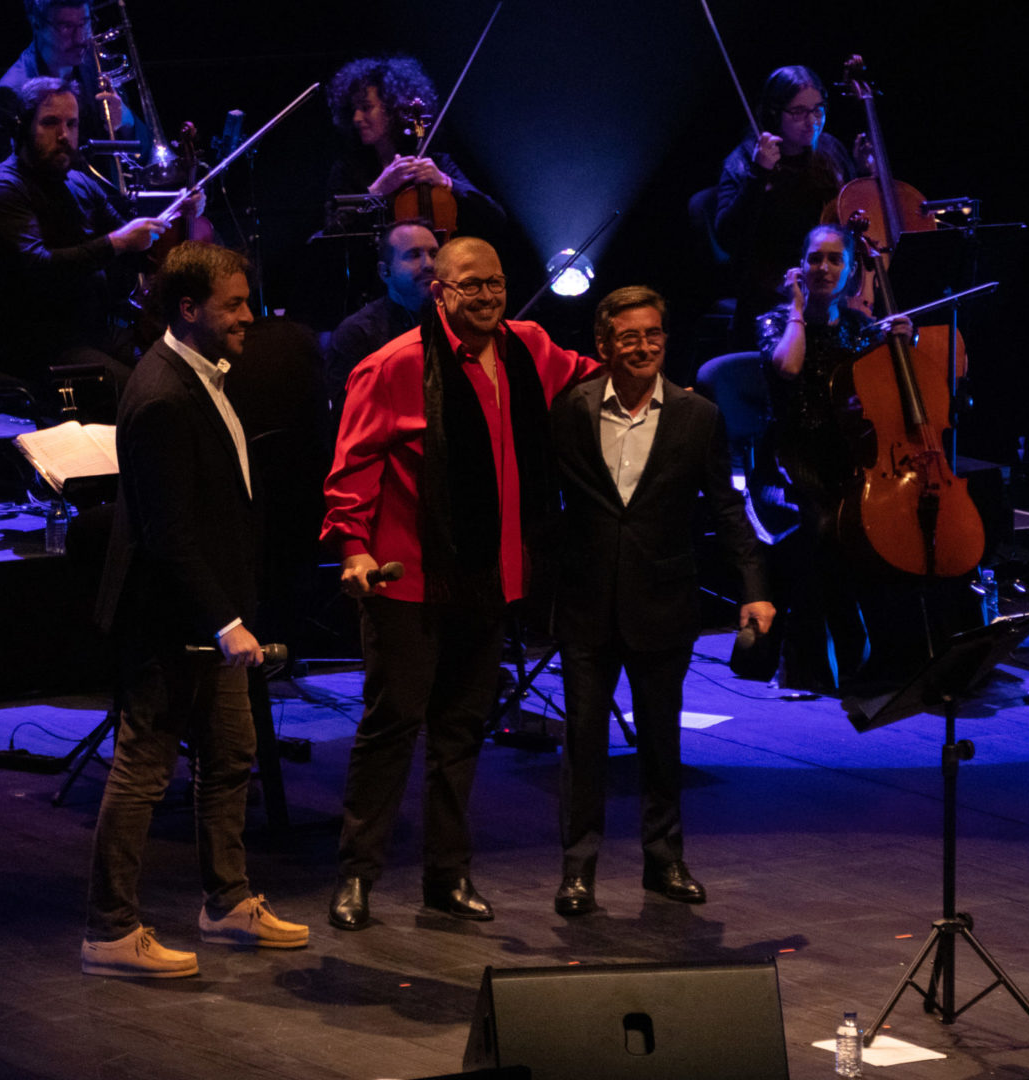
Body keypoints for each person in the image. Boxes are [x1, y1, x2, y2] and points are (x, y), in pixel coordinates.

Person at [321, 236, 597, 931]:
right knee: (393, 726)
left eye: (495, 284)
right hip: (407, 578)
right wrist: (353, 549)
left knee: (461, 732)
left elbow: (589, 378)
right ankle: (357, 874)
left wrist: (657, 384)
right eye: (469, 286)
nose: (485, 297)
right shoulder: (393, 366)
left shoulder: (527, 347)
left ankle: (447, 875)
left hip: (490, 577)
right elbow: (351, 470)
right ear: (438, 293)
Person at [84, 241, 308, 977]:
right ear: (189, 309)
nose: (250, 316)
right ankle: (111, 930)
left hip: (209, 615)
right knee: (144, 768)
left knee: (232, 753)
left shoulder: (203, 376)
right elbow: (167, 532)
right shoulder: (161, 396)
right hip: (169, 622)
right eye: (234, 305)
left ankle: (228, 901)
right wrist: (225, 620)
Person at [547, 286, 774, 915]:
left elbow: (729, 510)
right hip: (588, 604)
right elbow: (544, 506)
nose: (643, 346)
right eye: (629, 337)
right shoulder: (572, 410)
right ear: (603, 346)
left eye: (653, 334)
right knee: (585, 743)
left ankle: (665, 861)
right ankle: (578, 870)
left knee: (660, 741)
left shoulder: (697, 416)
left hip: (663, 602)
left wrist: (754, 591)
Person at [756, 223, 910, 690]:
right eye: (815, 258)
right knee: (821, 528)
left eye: (834, 260)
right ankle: (811, 665)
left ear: (849, 271)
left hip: (848, 458)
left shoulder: (864, 328)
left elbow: (890, 396)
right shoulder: (775, 321)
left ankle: (871, 659)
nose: (824, 267)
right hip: (788, 462)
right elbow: (789, 366)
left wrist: (906, 342)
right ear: (800, 266)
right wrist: (800, 309)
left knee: (871, 529)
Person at [0, 76, 192, 391]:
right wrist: (115, 243)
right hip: (35, 345)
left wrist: (180, 212)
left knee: (180, 373)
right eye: (50, 123)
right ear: (22, 128)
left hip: (92, 332)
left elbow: (134, 246)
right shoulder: (1, 189)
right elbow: (39, 268)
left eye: (71, 124)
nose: (64, 135)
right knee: (143, 394)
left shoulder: (79, 183)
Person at [714, 65, 865, 345]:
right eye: (798, 112)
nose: (812, 122)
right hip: (770, 298)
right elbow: (728, 236)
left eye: (818, 109)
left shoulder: (830, 150)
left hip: (829, 293)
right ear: (774, 113)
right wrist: (758, 174)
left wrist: (864, 174)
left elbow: (847, 221)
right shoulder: (746, 158)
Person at [322, 56, 503, 235]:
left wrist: (445, 182)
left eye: (366, 107)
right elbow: (333, 229)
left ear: (394, 109)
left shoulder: (437, 162)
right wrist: (376, 192)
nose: (356, 118)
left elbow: (495, 217)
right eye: (354, 110)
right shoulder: (347, 170)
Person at [0, 2, 137, 161]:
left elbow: (141, 155)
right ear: (36, 24)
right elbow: (14, 178)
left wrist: (126, 121)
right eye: (66, 27)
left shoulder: (95, 61)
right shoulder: (11, 93)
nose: (80, 39)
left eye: (84, 23)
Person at [324, 220, 439, 425]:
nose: (429, 264)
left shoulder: (452, 321)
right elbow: (350, 418)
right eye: (414, 255)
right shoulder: (357, 333)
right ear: (384, 271)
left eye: (434, 254)